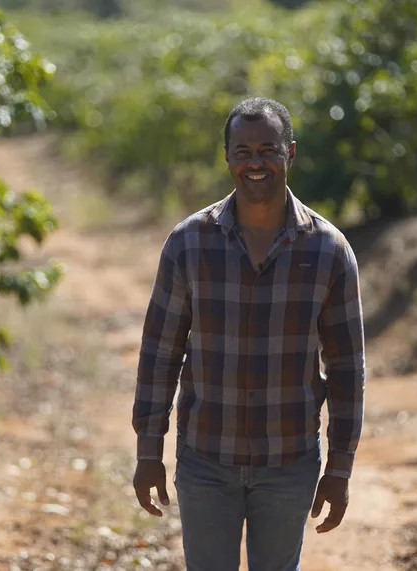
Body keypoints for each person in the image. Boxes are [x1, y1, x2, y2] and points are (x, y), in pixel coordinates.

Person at [131, 97, 366, 571]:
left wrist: (339, 468)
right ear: (227, 157)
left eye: (267, 149)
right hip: (205, 459)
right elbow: (161, 354)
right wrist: (148, 451)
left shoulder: (329, 250)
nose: (255, 162)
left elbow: (345, 370)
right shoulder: (188, 243)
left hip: (290, 459)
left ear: (290, 153)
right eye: (243, 151)